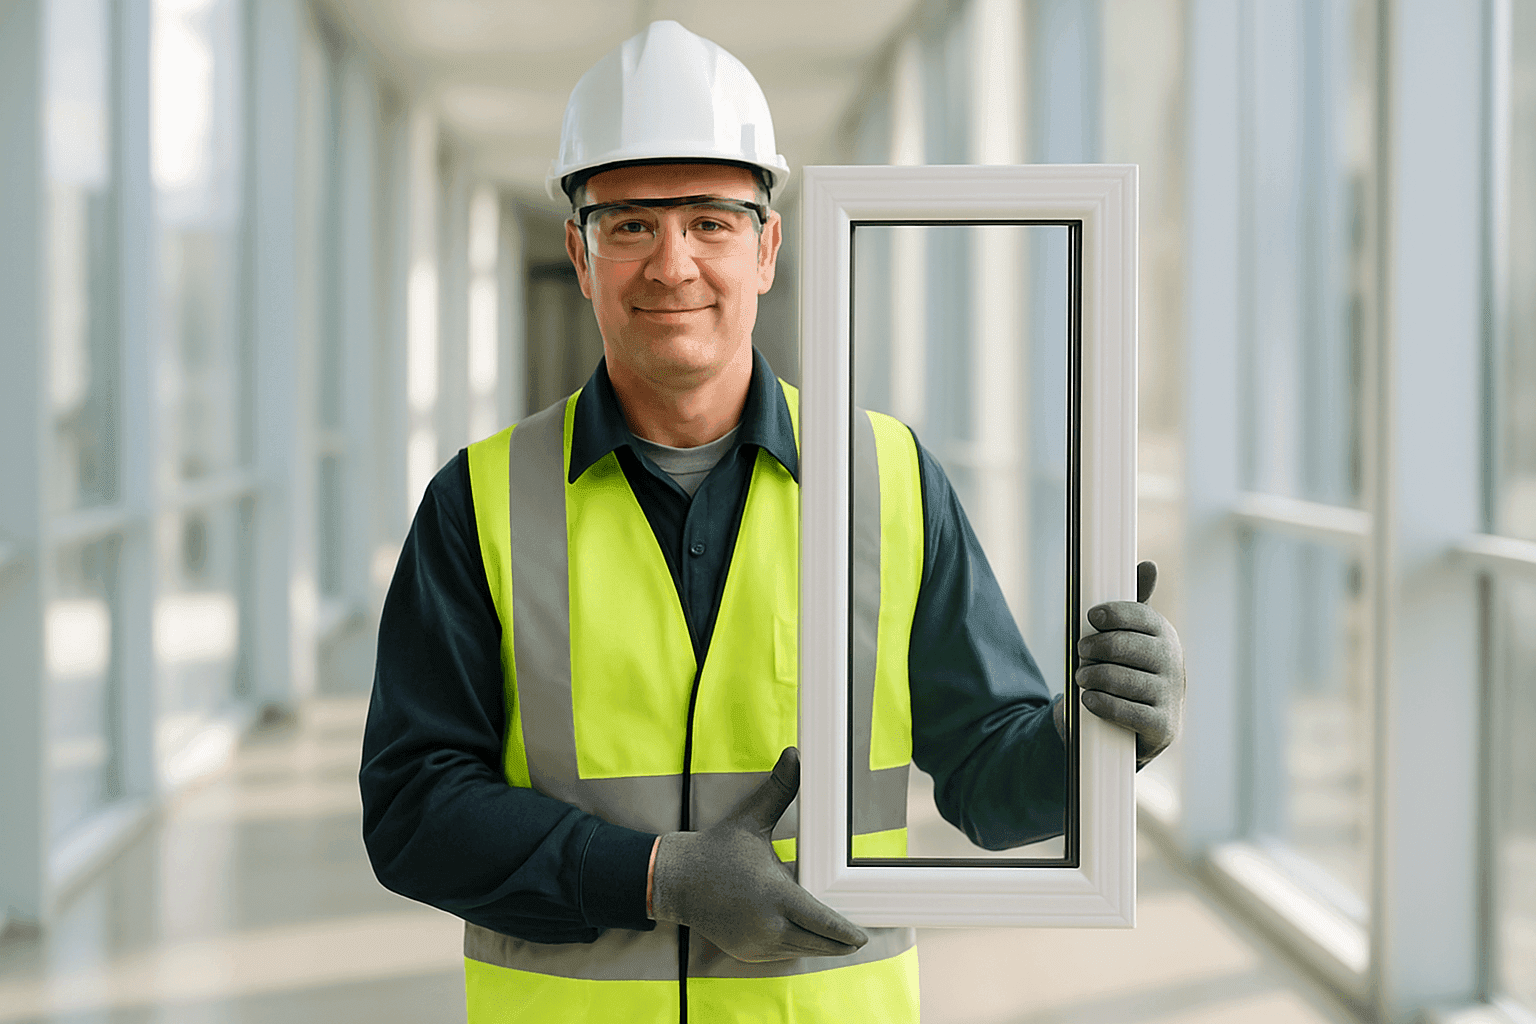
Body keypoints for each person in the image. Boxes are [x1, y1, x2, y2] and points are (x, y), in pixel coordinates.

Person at [359, 20, 1185, 1024]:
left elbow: (988, 776)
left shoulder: (887, 478)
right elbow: (413, 811)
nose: (672, 264)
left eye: (711, 219)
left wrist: (1090, 735)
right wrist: (655, 875)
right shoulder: (478, 500)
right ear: (579, 254)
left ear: (768, 248)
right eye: (629, 224)